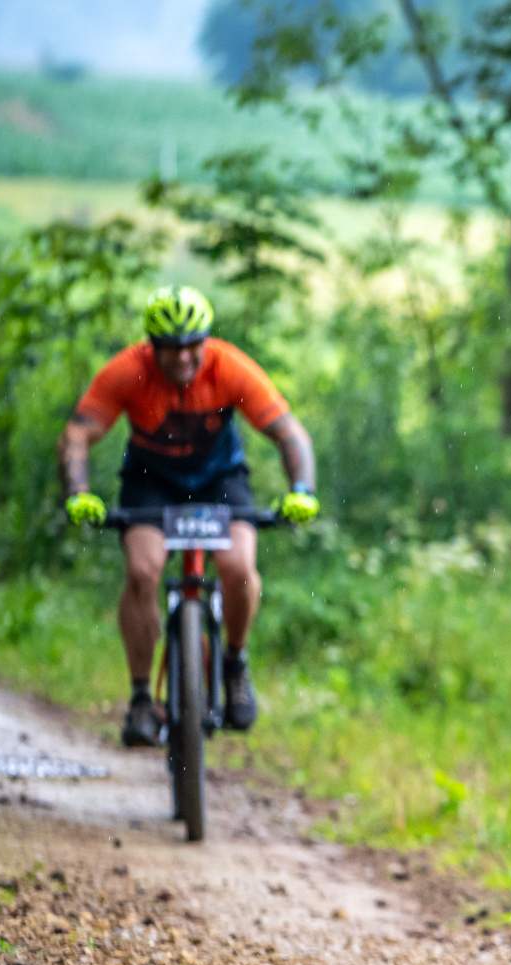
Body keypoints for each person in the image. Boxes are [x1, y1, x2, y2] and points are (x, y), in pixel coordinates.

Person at [59, 286, 320, 746]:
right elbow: (78, 434)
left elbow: (289, 433)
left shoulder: (229, 366)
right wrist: (77, 493)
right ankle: (142, 698)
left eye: (192, 345)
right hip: (151, 481)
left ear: (206, 340)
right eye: (170, 347)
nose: (183, 357)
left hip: (220, 480)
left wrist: (302, 490)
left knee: (239, 568)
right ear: (151, 347)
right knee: (143, 571)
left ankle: (234, 664)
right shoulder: (128, 371)